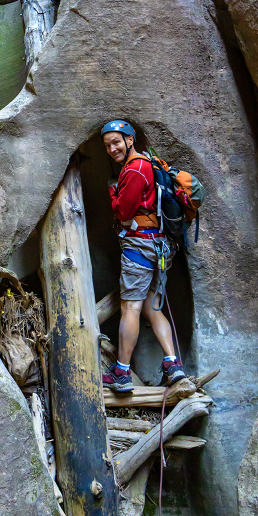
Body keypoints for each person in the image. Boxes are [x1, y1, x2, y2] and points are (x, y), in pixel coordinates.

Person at [100, 119, 187, 393]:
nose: (112, 148)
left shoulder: (136, 169)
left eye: (116, 142)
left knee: (131, 308)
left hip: (140, 247)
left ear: (130, 140)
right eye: (107, 145)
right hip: (159, 248)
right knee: (152, 306)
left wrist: (113, 193)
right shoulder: (147, 165)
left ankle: (122, 373)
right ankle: (173, 365)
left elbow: (124, 212)